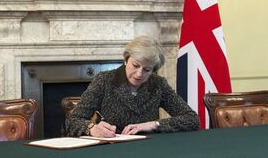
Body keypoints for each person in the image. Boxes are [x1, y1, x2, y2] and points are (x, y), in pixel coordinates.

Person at [65, 36, 200, 137]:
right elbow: (73, 120)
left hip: (148, 148)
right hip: (112, 148)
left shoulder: (158, 84)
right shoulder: (104, 80)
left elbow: (191, 119)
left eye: (147, 70)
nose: (139, 74)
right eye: (135, 65)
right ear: (126, 59)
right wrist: (91, 128)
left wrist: (154, 124)